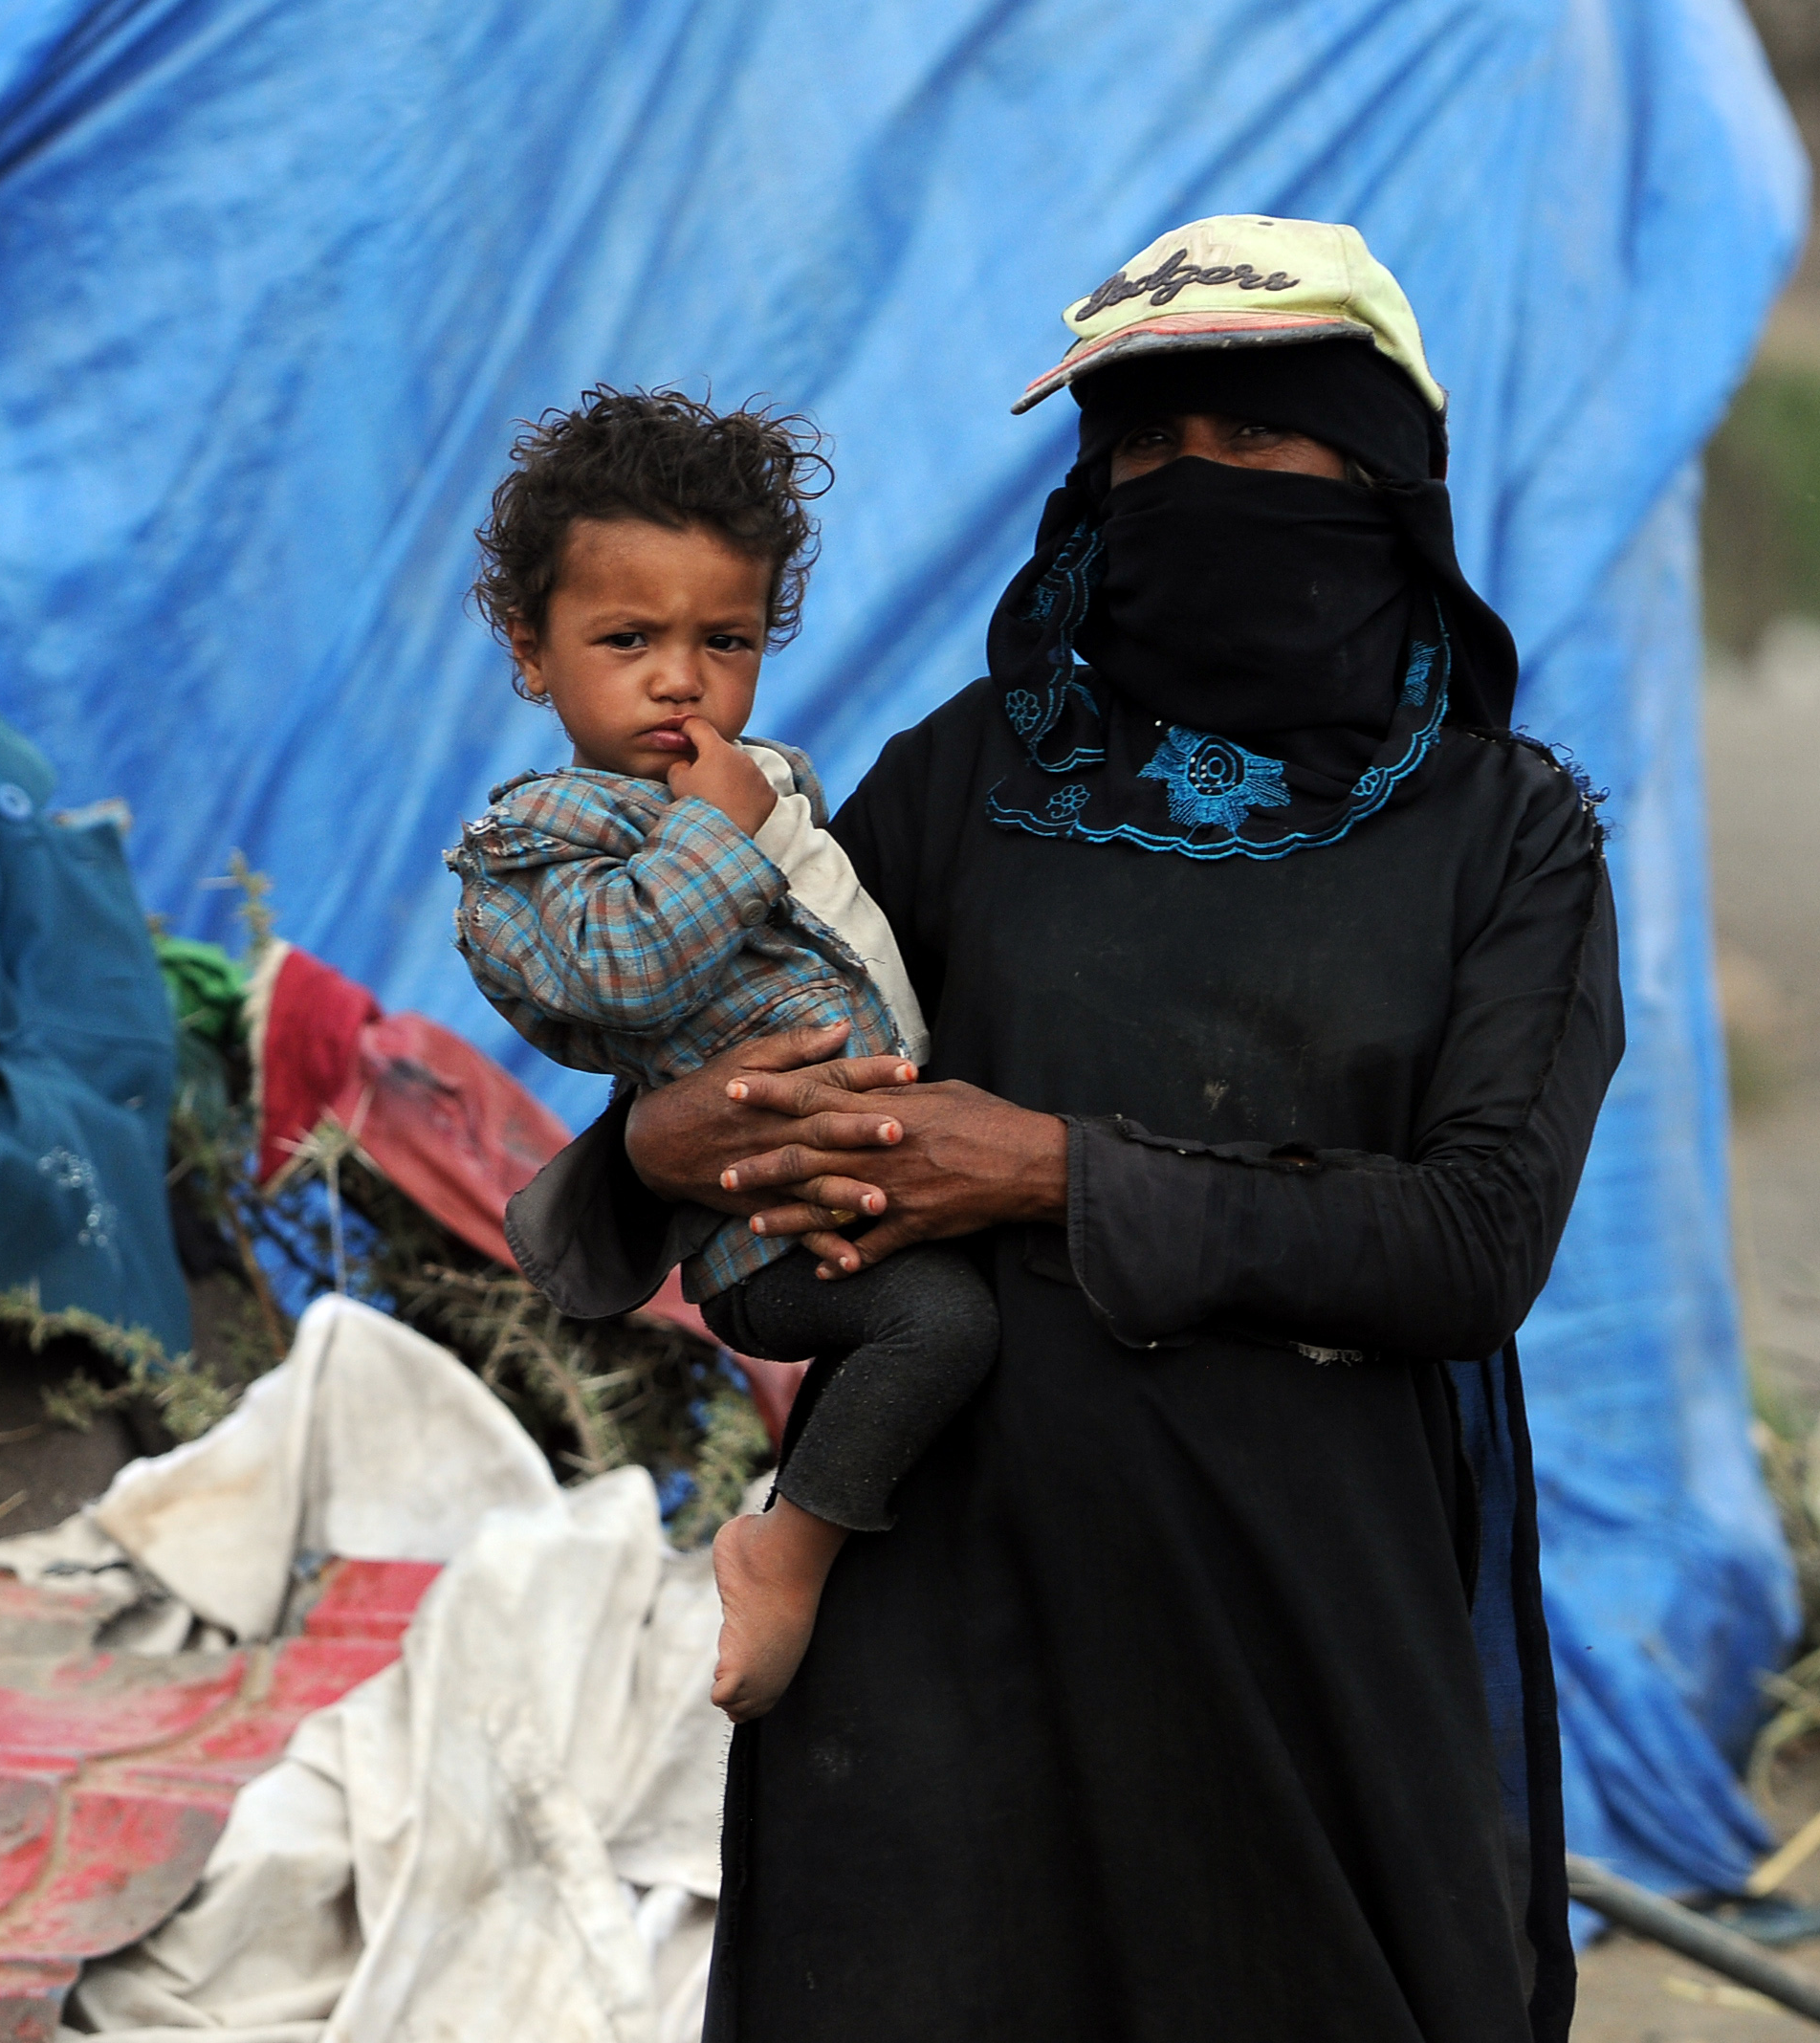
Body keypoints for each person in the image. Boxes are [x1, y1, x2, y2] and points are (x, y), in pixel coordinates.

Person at [506, 216, 1616, 2043]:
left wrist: (1044, 1170)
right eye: (1144, 448)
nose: (1189, 486)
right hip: (946, 1631)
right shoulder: (970, 775)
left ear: (1381, 475)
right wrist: (663, 1147)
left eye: (1251, 442)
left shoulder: (1507, 837)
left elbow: (1476, 1239)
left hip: (1298, 1643)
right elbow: (770, 1053)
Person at [446, 387, 998, 1722]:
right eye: (626, 638)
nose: (681, 679)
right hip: (770, 1241)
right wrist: (725, 835)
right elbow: (620, 974)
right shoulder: (528, 852)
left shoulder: (767, 788)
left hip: (880, 1172)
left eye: (726, 639)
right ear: (530, 650)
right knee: (943, 1326)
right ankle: (784, 1554)